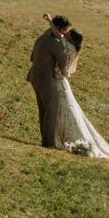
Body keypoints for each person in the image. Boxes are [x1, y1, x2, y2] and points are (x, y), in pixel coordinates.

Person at [42, 13, 109, 170]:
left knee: (62, 112)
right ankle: (66, 140)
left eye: (68, 33)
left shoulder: (67, 46)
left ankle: (67, 141)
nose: (65, 33)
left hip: (59, 83)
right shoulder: (72, 47)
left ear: (71, 39)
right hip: (60, 83)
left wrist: (49, 20)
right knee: (66, 113)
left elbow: (58, 35)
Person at [26, 12, 71, 147]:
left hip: (34, 77)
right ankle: (49, 142)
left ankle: (45, 140)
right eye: (65, 29)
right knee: (51, 112)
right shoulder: (56, 43)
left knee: (42, 111)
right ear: (59, 28)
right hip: (47, 80)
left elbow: (32, 57)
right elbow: (64, 65)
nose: (66, 32)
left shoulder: (40, 38)